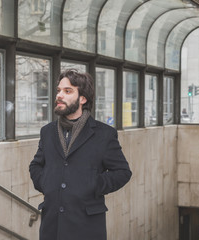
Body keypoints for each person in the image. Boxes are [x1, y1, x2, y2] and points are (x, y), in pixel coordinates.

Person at [29, 69, 132, 240]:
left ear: (83, 98)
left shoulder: (104, 134)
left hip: (87, 228)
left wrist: (93, 185)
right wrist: (47, 183)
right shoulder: (47, 132)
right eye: (59, 90)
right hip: (51, 228)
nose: (59, 95)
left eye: (67, 91)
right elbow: (36, 165)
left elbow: (123, 172)